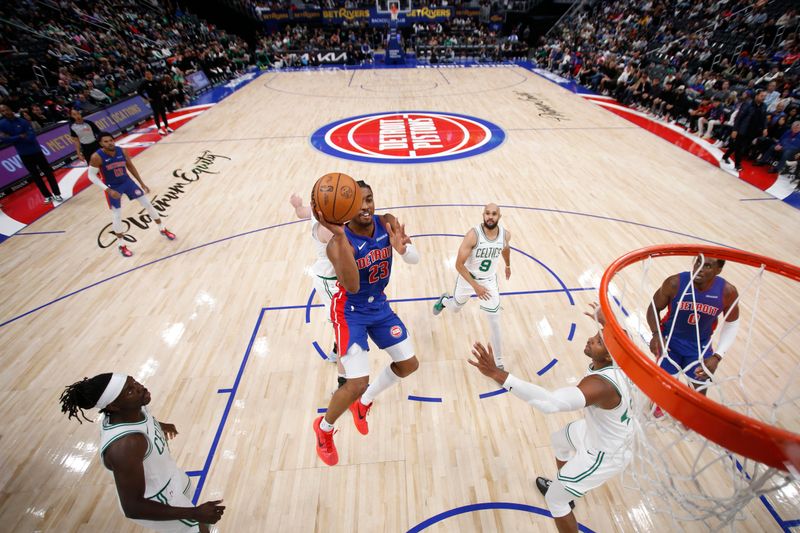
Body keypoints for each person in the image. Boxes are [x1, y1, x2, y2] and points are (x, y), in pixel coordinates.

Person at [468, 304, 632, 533]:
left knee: (555, 500)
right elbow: (624, 340)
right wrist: (606, 322)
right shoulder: (622, 360)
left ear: (608, 355)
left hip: (605, 453)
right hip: (603, 430)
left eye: (599, 341)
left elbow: (550, 403)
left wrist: (498, 374)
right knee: (559, 440)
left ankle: (563, 496)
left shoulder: (601, 385)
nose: (590, 339)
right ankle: (568, 490)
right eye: (596, 335)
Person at [312, 180, 421, 466]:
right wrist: (341, 236)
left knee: (409, 364)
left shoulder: (387, 222)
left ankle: (364, 403)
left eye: (369, 199)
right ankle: (323, 430)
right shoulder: (337, 244)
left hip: (380, 306)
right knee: (356, 382)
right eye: (358, 202)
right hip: (350, 310)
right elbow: (352, 285)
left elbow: (415, 259)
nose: (365, 206)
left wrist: (403, 250)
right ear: (346, 207)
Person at [59, 373, 226, 532]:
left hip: (169, 477)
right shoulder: (126, 445)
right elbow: (133, 507)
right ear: (113, 406)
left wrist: (159, 425)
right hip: (155, 499)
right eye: (130, 390)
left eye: (134, 382)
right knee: (197, 527)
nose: (140, 388)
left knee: (196, 511)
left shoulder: (134, 407)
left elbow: (143, 421)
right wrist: (194, 513)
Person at [646, 256, 740, 407]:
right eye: (698, 262)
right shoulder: (674, 283)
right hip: (669, 342)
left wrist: (717, 356)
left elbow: (732, 324)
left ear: (719, 270)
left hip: (699, 347)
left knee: (698, 394)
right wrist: (656, 334)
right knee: (662, 390)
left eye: (707, 266)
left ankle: (689, 416)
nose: (700, 268)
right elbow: (653, 308)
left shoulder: (727, 292)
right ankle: (659, 407)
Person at [432, 203, 511, 369]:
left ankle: (498, 361)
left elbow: (505, 249)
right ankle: (445, 300)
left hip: (489, 281)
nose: (490, 217)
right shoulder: (473, 235)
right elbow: (459, 265)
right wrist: (475, 286)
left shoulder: (505, 235)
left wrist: (508, 265)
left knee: (495, 320)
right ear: (483, 215)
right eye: (487, 213)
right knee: (454, 308)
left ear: (499, 216)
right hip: (468, 279)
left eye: (494, 214)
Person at [88, 132, 176, 257]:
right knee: (117, 215)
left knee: (148, 204)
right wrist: (108, 190)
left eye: (111, 140)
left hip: (127, 182)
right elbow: (91, 176)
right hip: (112, 187)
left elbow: (130, 166)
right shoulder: (96, 157)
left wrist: (141, 183)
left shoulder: (122, 151)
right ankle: (121, 245)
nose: (110, 143)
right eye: (106, 141)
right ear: (101, 143)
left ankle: (162, 228)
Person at [289, 193, 345, 385]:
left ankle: (338, 350)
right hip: (330, 281)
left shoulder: (319, 212)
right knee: (342, 324)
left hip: (335, 278)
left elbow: (301, 213)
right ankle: (343, 382)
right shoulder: (325, 227)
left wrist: (298, 206)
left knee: (344, 322)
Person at [0, 104, 63, 204]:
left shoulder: (22, 121)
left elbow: (31, 136)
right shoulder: (2, 124)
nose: (5, 112)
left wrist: (14, 137)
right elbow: (4, 139)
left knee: (48, 173)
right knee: (36, 176)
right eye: (2, 111)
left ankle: (57, 193)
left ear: (10, 109)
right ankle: (47, 196)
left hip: (36, 151)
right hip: (24, 154)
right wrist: (19, 136)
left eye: (6, 110)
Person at [722, 90, 768, 171]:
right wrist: (735, 129)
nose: (763, 98)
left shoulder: (764, 106)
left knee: (737, 145)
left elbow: (764, 119)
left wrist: (765, 128)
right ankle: (737, 165)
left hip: (754, 131)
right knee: (739, 147)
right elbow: (739, 117)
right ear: (757, 95)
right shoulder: (747, 104)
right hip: (743, 129)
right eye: (762, 96)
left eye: (764, 96)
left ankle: (725, 156)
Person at [139, 71, 173, 136]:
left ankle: (167, 127)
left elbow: (161, 87)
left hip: (159, 99)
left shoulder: (155, 80)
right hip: (153, 100)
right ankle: (159, 129)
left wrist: (163, 93)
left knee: (163, 113)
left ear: (151, 74)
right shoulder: (144, 83)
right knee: (156, 115)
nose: (148, 75)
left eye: (149, 74)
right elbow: (139, 91)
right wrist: (146, 98)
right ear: (145, 76)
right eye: (147, 74)